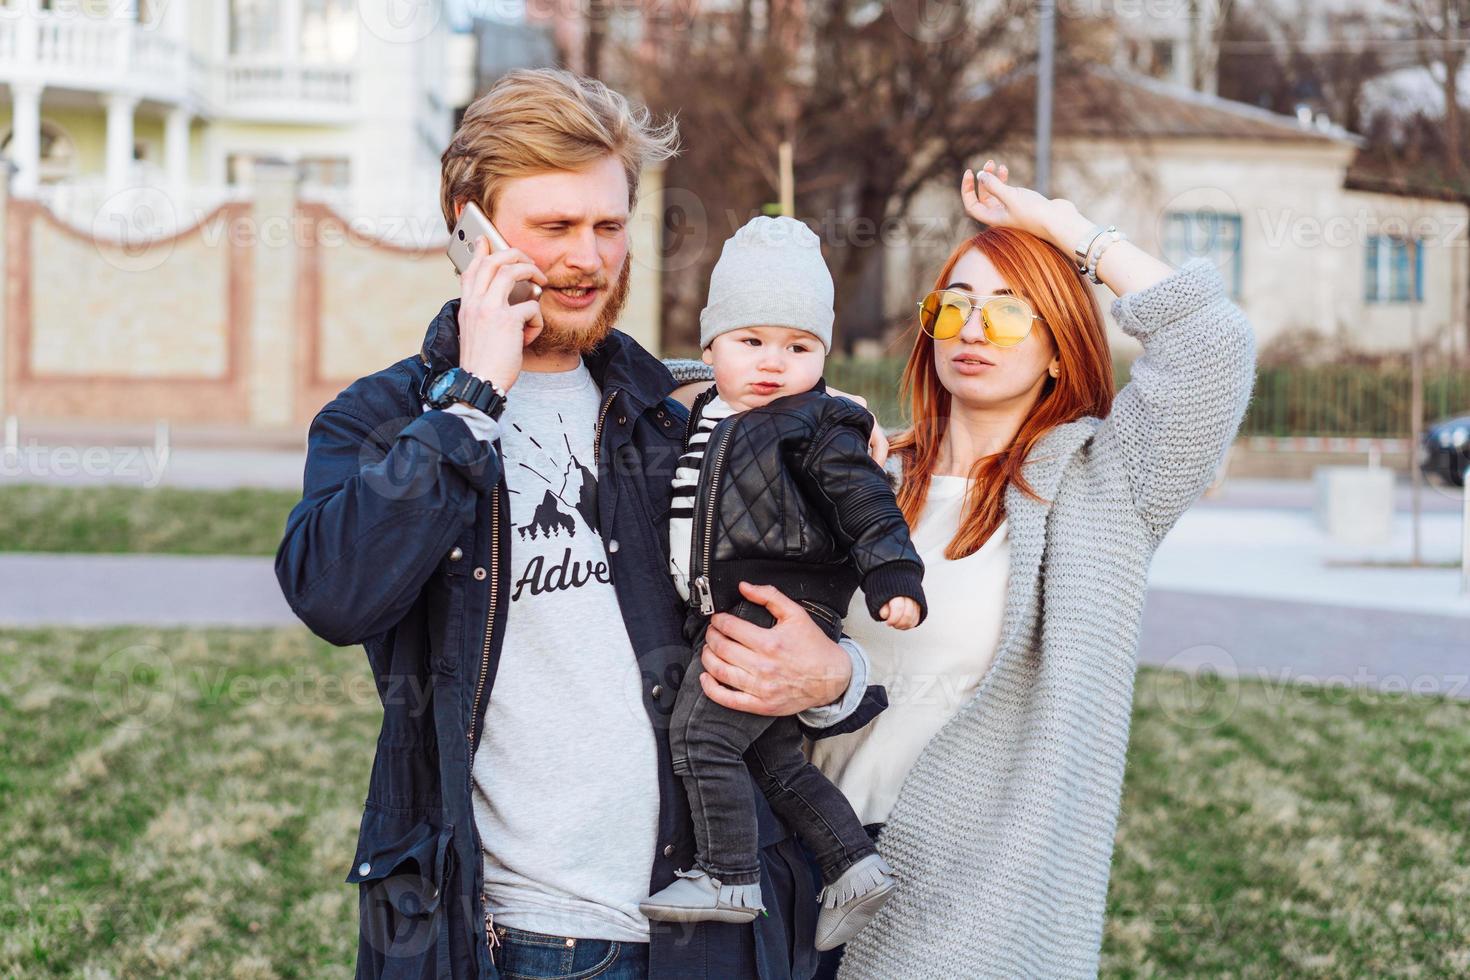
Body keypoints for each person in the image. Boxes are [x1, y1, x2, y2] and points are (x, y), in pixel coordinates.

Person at [274, 68, 884, 980]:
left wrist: (834, 677)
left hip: (717, 933)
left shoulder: (694, 413)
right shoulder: (389, 421)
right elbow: (334, 593)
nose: (588, 258)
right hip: (517, 939)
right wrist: (472, 400)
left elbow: (837, 621)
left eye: (607, 226)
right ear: (468, 227)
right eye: (553, 228)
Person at [803, 161, 1258, 979]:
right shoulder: (860, 471)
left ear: (1059, 347)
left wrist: (1063, 227)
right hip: (795, 864)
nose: (974, 331)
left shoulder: (1106, 486)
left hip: (961, 896)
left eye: (1011, 313)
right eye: (956, 307)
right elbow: (701, 392)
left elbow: (1210, 341)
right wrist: (806, 416)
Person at [638, 216, 924, 951]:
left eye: (798, 347)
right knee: (769, 756)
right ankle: (854, 866)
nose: (772, 362)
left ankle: (728, 876)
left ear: (822, 357)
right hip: (725, 613)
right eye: (750, 341)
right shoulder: (705, 409)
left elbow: (865, 502)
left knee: (700, 736)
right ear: (710, 348)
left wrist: (893, 573)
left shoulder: (820, 424)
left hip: (781, 608)